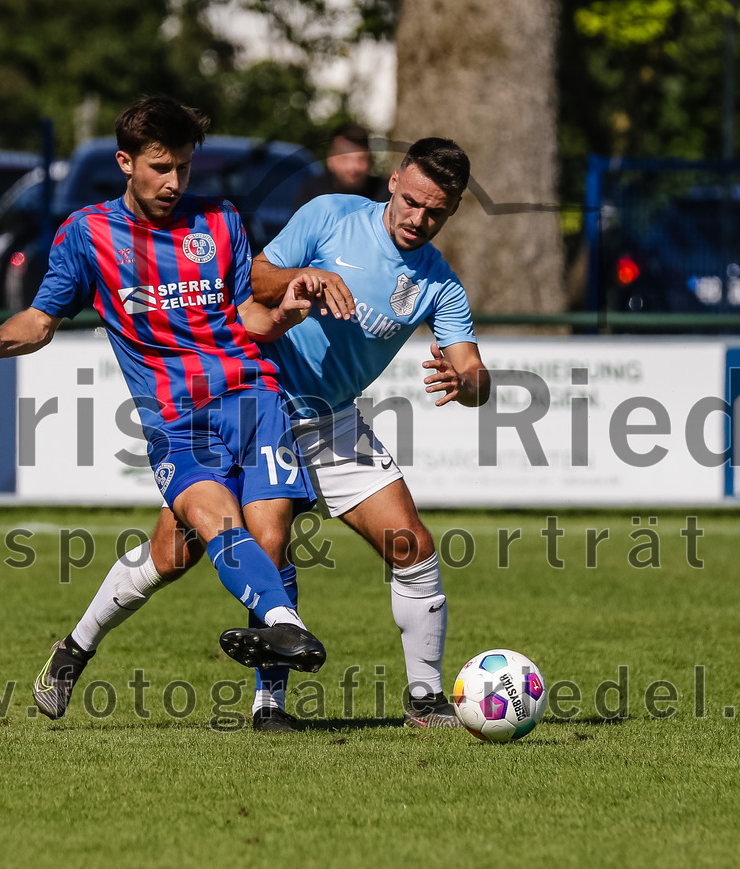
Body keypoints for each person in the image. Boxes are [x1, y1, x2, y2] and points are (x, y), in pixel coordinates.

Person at [49, 137, 490, 733]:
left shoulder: (440, 285)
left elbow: (472, 368)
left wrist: (470, 381)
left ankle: (425, 699)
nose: (418, 219)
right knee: (181, 555)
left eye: (435, 211)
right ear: (393, 181)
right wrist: (300, 279)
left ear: (454, 209)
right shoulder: (329, 215)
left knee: (411, 546)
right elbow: (253, 277)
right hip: (256, 397)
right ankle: (77, 649)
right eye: (411, 201)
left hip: (331, 419)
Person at [0, 95, 337, 721]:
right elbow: (41, 319)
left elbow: (247, 316)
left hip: (254, 397)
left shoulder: (220, 222)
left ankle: (269, 703)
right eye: (161, 167)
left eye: (184, 167)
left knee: (265, 538)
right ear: (125, 162)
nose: (174, 182)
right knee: (206, 533)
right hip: (177, 420)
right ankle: (79, 649)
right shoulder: (88, 235)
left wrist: (284, 312)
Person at [293, 122, 389, 210]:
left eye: (361, 159)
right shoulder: (313, 193)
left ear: (370, 160)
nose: (353, 167)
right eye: (345, 159)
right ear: (330, 160)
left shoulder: (385, 192)